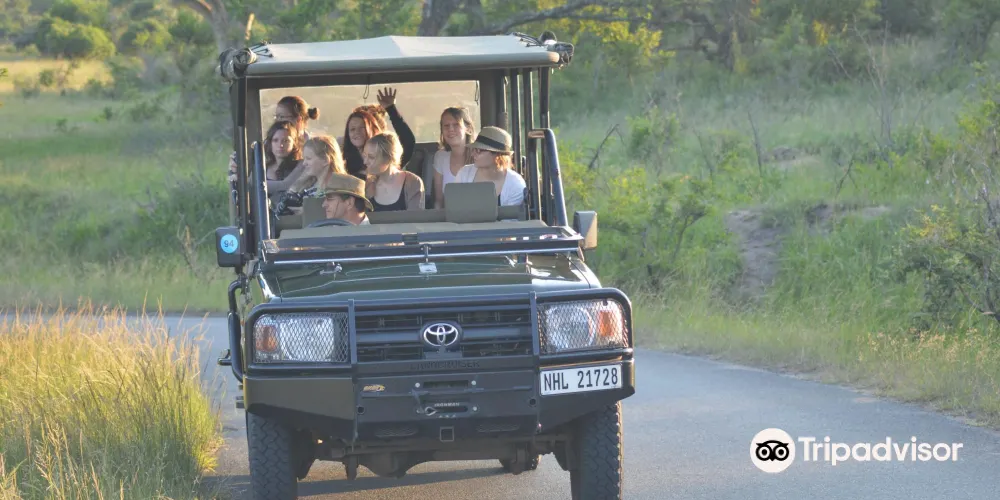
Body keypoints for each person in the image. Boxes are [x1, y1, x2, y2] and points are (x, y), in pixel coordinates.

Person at [340, 87, 416, 178]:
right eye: (352, 129)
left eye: (362, 127)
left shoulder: (386, 158)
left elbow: (408, 142)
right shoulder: (343, 162)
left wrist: (391, 109)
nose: (357, 132)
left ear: (372, 128)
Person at [454, 126, 526, 206]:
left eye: (479, 150)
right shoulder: (464, 174)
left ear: (498, 155)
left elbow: (510, 214)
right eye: (473, 149)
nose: (472, 154)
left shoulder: (515, 184)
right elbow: (455, 207)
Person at [363, 131, 425, 212]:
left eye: (371, 157)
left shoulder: (412, 182)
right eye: (365, 156)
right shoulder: (367, 185)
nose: (365, 162)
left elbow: (415, 218)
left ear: (388, 158)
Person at [432, 106, 476, 209]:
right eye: (446, 126)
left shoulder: (478, 155)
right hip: (448, 217)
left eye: (456, 125)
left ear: (468, 128)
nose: (451, 129)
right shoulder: (440, 157)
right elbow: (439, 202)